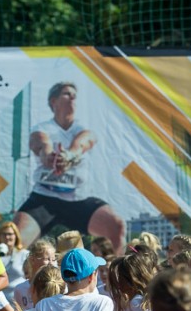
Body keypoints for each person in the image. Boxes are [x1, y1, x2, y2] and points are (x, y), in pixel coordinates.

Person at [12, 82, 125, 253]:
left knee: (116, 226)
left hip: (78, 200)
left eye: (74, 95)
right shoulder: (42, 128)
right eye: (67, 94)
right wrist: (49, 157)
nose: (72, 97)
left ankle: (117, 268)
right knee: (15, 241)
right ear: (53, 101)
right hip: (44, 199)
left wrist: (69, 156)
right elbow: (41, 144)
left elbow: (82, 143)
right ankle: (11, 269)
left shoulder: (83, 129)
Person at [0, 221, 30, 293]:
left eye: (10, 234)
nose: (7, 237)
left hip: (17, 296)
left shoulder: (24, 254)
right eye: (4, 234)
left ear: (16, 236)